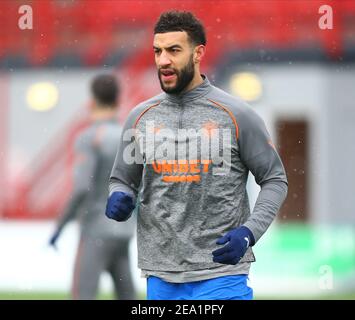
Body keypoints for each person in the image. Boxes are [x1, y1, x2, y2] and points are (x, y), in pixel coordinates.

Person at [106, 11, 288, 300]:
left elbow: (275, 179)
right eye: (157, 51)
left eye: (174, 50)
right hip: (160, 275)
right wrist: (118, 196)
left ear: (198, 53)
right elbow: (121, 180)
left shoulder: (237, 114)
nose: (163, 60)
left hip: (221, 272)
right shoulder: (139, 118)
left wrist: (249, 232)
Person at [49, 74, 136, 300]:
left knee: (83, 295)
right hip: (124, 231)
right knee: (128, 297)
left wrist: (59, 227)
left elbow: (81, 188)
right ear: (118, 102)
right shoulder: (129, 137)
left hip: (95, 229)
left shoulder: (89, 138)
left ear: (92, 101)